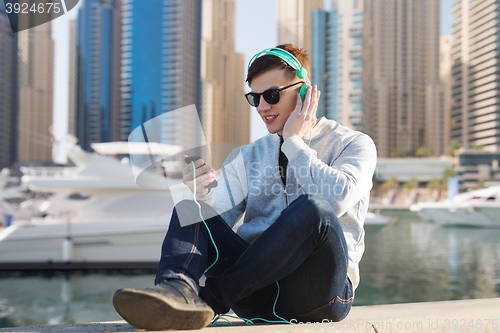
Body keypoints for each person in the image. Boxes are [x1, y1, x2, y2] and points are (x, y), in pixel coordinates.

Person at [112, 43, 377, 330]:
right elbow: (215, 229)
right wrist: (200, 194)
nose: (263, 107)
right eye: (255, 98)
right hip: (254, 295)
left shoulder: (353, 143)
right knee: (192, 207)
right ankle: (175, 291)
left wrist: (294, 142)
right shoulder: (246, 156)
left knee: (314, 208)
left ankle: (208, 302)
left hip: (317, 297)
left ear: (305, 92)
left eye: (272, 95)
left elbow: (336, 199)